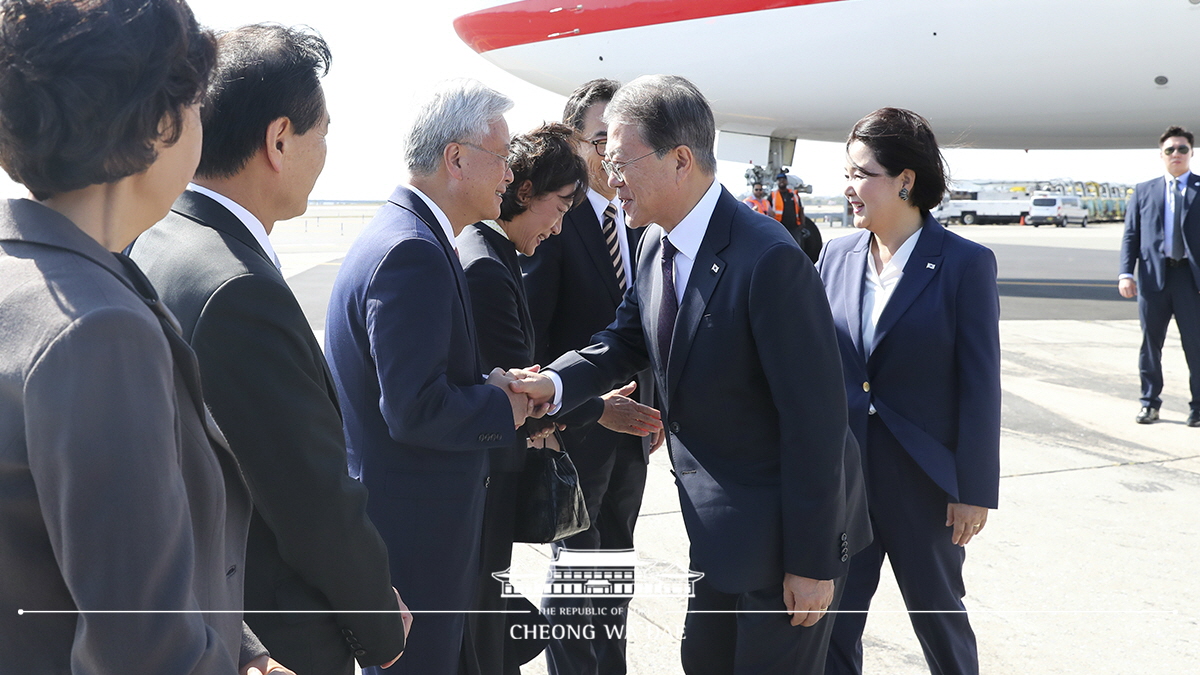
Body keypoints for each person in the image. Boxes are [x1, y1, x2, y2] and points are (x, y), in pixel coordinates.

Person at [509, 74, 870, 675]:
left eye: (620, 160)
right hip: (720, 536)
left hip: (782, 542)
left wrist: (811, 564)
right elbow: (623, 341)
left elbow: (817, 423)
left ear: (681, 160)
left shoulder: (770, 259)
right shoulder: (655, 244)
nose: (608, 174)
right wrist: (554, 384)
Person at [0, 1, 289, 673]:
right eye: (195, 105)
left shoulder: (29, 279)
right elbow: (141, 644)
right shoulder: (98, 331)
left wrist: (242, 651)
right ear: (161, 121)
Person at [127, 24, 410, 675]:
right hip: (277, 633)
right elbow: (312, 502)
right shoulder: (241, 287)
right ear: (280, 140)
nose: (327, 151)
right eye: (324, 133)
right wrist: (379, 627)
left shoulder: (162, 235)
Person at [323, 78, 539, 675]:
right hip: (415, 540)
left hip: (408, 528)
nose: (509, 175)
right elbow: (414, 408)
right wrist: (505, 407)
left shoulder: (407, 234)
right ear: (457, 159)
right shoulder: (411, 251)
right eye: (503, 158)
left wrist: (486, 383)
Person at [458, 122, 652, 675]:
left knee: (609, 586)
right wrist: (595, 409)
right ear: (524, 192)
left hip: (612, 442)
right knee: (571, 593)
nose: (562, 224)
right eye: (560, 206)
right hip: (570, 438)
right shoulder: (488, 267)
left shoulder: (503, 251)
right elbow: (523, 378)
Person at [816, 108, 1000, 675]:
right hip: (848, 479)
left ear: (905, 180)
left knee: (938, 617)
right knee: (834, 625)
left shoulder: (965, 263)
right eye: (847, 173)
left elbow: (980, 383)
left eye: (861, 173)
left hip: (924, 484)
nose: (849, 188)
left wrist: (974, 488)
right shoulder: (836, 255)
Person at [520, 77, 663, 675]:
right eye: (599, 138)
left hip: (634, 434)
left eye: (620, 140)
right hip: (577, 432)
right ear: (574, 144)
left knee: (615, 575)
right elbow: (532, 336)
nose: (610, 154)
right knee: (579, 579)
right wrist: (577, 407)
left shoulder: (640, 220)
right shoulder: (557, 223)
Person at [1119, 126, 1200, 427]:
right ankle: (1149, 404)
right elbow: (1131, 236)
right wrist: (1126, 273)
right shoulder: (1144, 190)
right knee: (1150, 346)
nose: (1176, 154)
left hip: (1191, 282)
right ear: (1161, 154)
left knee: (1196, 345)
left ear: (1191, 153)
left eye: (1182, 149)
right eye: (1170, 149)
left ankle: (1199, 407)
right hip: (1153, 280)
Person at [772, 172, 822, 262]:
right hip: (780, 227)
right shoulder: (772, 196)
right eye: (779, 180)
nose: (781, 182)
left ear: (786, 181)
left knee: (797, 247)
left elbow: (800, 209)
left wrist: (802, 224)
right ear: (777, 182)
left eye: (783, 180)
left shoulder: (794, 194)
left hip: (794, 227)